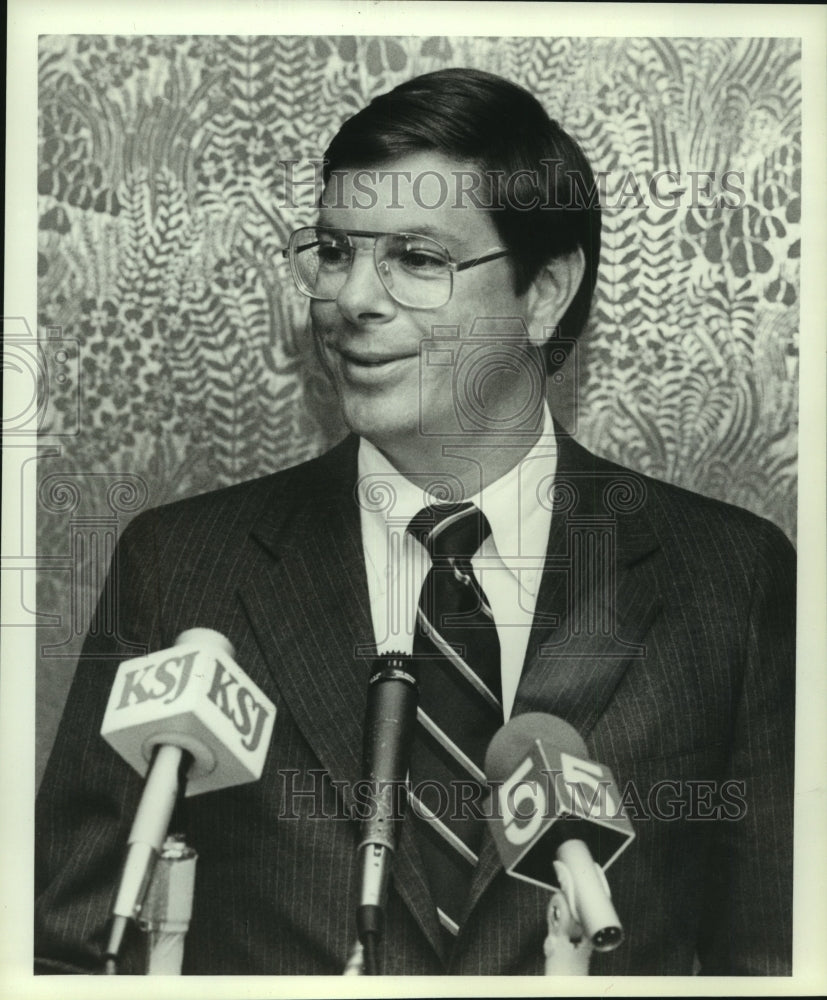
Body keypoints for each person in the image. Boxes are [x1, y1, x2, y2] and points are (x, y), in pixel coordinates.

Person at [35, 67, 795, 976]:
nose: (353, 299)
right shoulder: (180, 565)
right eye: (334, 250)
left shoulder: (727, 577)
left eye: (417, 259)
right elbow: (75, 950)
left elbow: (774, 960)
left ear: (543, 293)